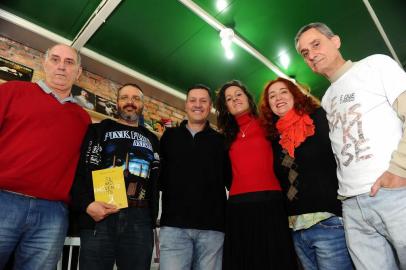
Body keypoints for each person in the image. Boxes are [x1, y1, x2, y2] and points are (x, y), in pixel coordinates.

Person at [295, 22, 406, 270]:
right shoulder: (327, 98)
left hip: (394, 194)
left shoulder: (376, 64)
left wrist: (400, 169)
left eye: (316, 44)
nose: (311, 54)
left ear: (335, 41)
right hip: (352, 207)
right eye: (304, 53)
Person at [0, 44, 91, 269]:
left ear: (78, 72)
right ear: (45, 62)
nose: (61, 67)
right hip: (4, 201)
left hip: (52, 214)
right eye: (55, 59)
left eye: (69, 62)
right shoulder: (11, 91)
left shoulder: (83, 119)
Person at [259, 77, 353, 270]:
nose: (278, 98)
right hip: (296, 227)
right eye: (272, 96)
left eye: (284, 92)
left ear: (295, 94)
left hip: (328, 221)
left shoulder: (319, 117)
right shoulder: (274, 138)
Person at [71, 83, 160, 270]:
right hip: (101, 215)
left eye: (136, 98)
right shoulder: (98, 130)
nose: (130, 102)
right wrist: (87, 204)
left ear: (142, 105)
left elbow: (157, 179)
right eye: (124, 98)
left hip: (140, 220)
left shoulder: (153, 139)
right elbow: (81, 171)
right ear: (117, 103)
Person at [215, 80, 297, 270]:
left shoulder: (269, 124)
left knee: (274, 260)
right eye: (229, 98)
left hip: (271, 203)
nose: (235, 99)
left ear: (247, 98)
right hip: (238, 207)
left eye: (238, 94)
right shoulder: (225, 136)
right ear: (225, 107)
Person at [158, 84, 230, 270]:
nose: (198, 105)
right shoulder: (169, 137)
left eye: (203, 101)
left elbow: (231, 181)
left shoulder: (221, 141)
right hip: (174, 228)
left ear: (210, 106)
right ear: (186, 104)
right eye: (193, 100)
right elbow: (159, 178)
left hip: (212, 230)